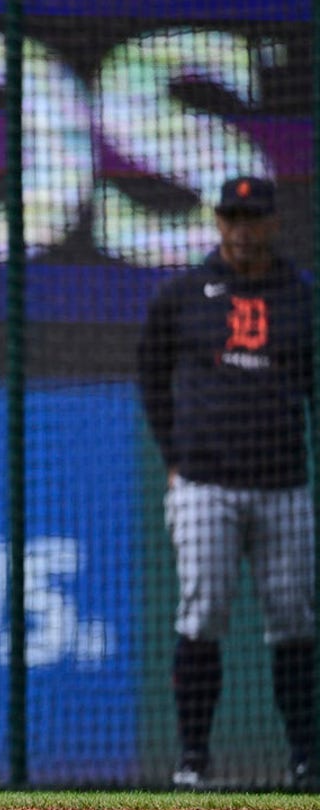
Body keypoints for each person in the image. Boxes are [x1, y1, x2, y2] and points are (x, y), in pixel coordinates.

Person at [137, 176, 315, 788]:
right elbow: (151, 373)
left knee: (293, 618)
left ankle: (305, 759)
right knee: (203, 610)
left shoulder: (300, 295)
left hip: (282, 484)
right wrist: (172, 454)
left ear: (272, 224)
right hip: (205, 483)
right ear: (217, 223)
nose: (242, 230)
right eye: (232, 218)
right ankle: (192, 760)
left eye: (253, 218)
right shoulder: (185, 294)